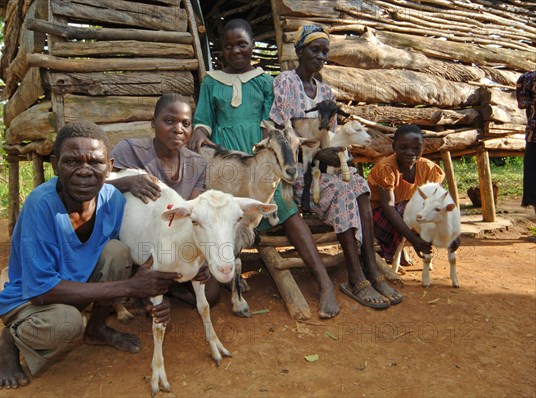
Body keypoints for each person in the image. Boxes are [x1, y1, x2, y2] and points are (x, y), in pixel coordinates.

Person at [0, 121, 181, 389]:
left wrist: (153, 292)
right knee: (67, 324)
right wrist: (132, 287)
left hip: (76, 283)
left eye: (95, 162)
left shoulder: (111, 200)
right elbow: (41, 291)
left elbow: (129, 263)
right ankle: (10, 339)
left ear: (110, 166)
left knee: (118, 252)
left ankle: (97, 328)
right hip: (31, 297)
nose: (84, 172)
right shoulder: (40, 206)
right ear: (55, 165)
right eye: (71, 162)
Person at [188, 18, 340, 318]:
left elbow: (273, 125)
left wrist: (259, 158)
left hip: (261, 163)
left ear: (252, 46)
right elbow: (204, 119)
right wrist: (199, 133)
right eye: (229, 45)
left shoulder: (265, 81)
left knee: (285, 207)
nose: (235, 51)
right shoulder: (211, 81)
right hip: (226, 165)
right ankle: (222, 279)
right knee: (220, 213)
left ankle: (324, 283)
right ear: (221, 49)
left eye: (242, 44)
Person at [269, 25, 403, 309]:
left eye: (325, 52)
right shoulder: (284, 83)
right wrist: (317, 155)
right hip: (299, 173)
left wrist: (337, 152)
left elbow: (331, 135)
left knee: (360, 185)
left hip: (323, 168)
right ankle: (355, 277)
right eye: (314, 50)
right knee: (344, 192)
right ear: (299, 51)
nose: (320, 57)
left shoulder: (326, 91)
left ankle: (369, 267)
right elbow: (280, 133)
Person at [110, 93, 221, 306]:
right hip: (137, 243)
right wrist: (127, 182)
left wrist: (202, 255)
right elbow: (97, 189)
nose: (178, 129)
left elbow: (193, 213)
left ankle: (167, 289)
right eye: (169, 121)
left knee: (212, 294)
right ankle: (143, 282)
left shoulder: (197, 163)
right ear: (153, 123)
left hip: (176, 246)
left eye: (186, 124)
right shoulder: (129, 151)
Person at [367, 124, 446, 264]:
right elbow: (388, 206)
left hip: (406, 209)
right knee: (404, 212)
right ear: (394, 147)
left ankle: (401, 249)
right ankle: (395, 249)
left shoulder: (429, 169)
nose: (410, 153)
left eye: (416, 148)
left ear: (422, 148)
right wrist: (413, 239)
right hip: (378, 213)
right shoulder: (386, 169)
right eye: (403, 148)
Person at [516, 71, 536, 214]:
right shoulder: (528, 78)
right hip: (533, 136)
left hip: (533, 136)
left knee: (533, 182)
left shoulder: (527, 79)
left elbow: (522, 103)